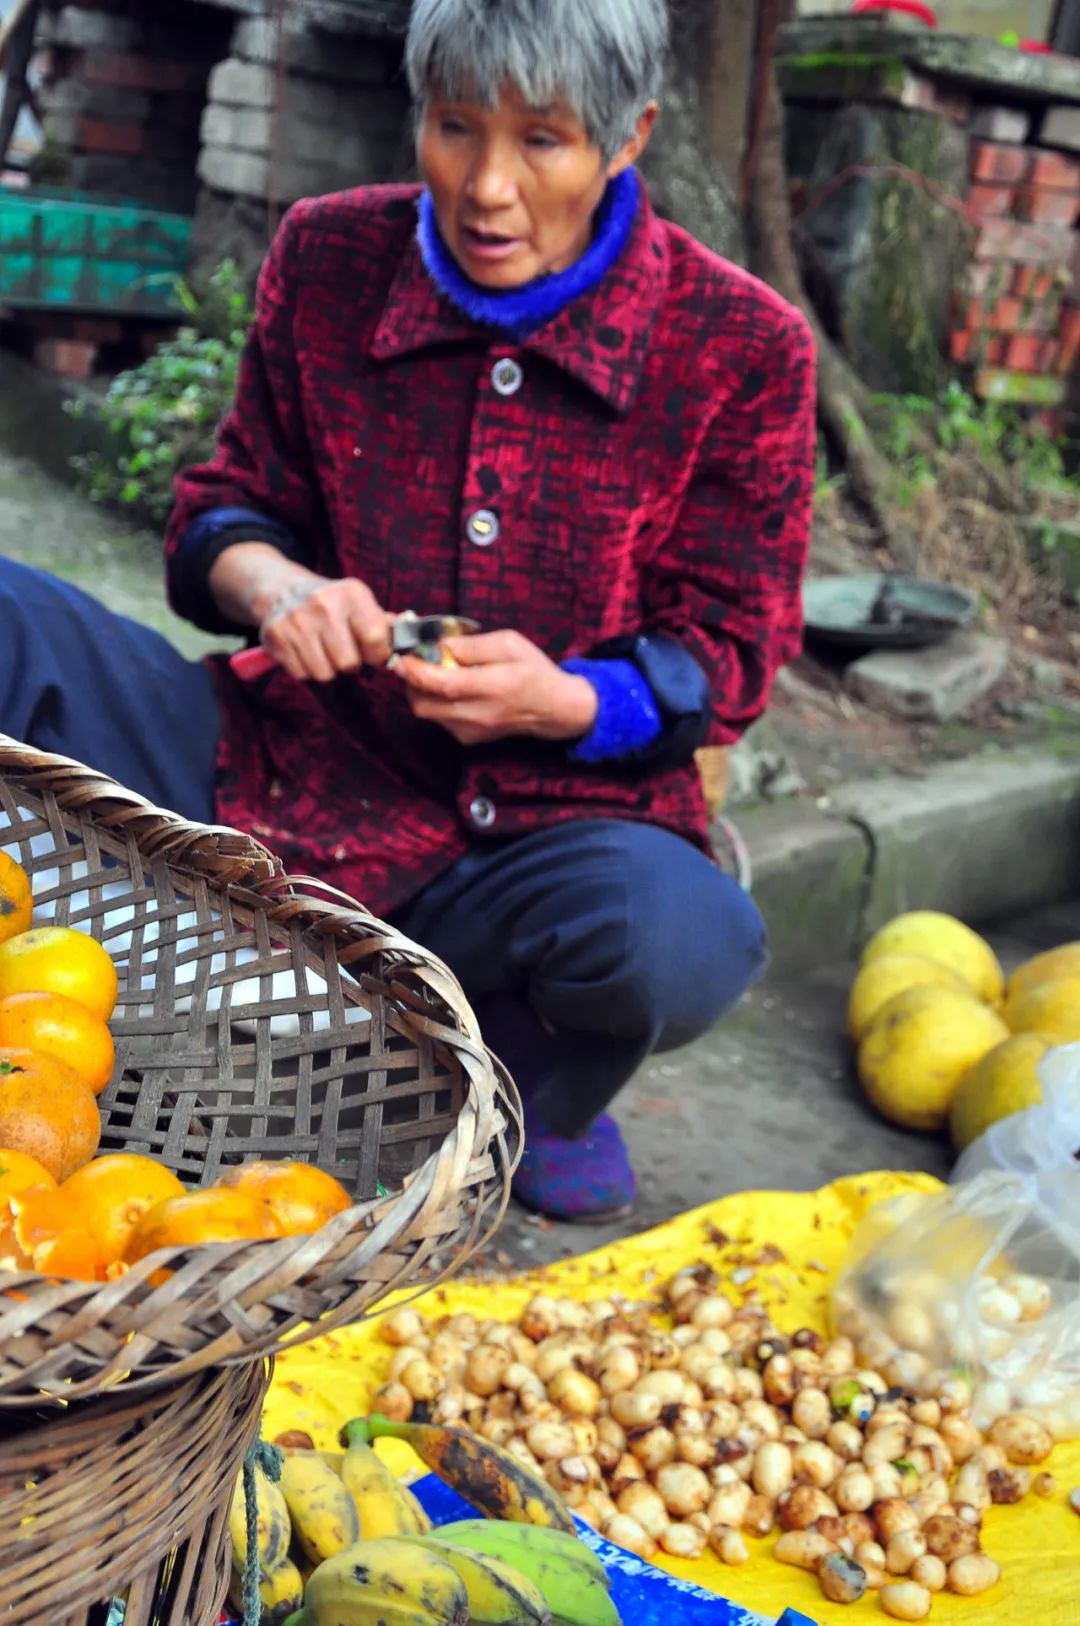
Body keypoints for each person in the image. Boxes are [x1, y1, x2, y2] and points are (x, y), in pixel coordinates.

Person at [0, 0, 816, 1221]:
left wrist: (570, 699)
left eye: (542, 142)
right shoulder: (329, 257)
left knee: (681, 937)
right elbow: (225, 511)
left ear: (628, 138)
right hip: (283, 765)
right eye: (454, 128)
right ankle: (112, 998)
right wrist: (275, 588)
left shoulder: (740, 346)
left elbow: (734, 650)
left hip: (538, 836)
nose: (485, 186)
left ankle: (525, 1081)